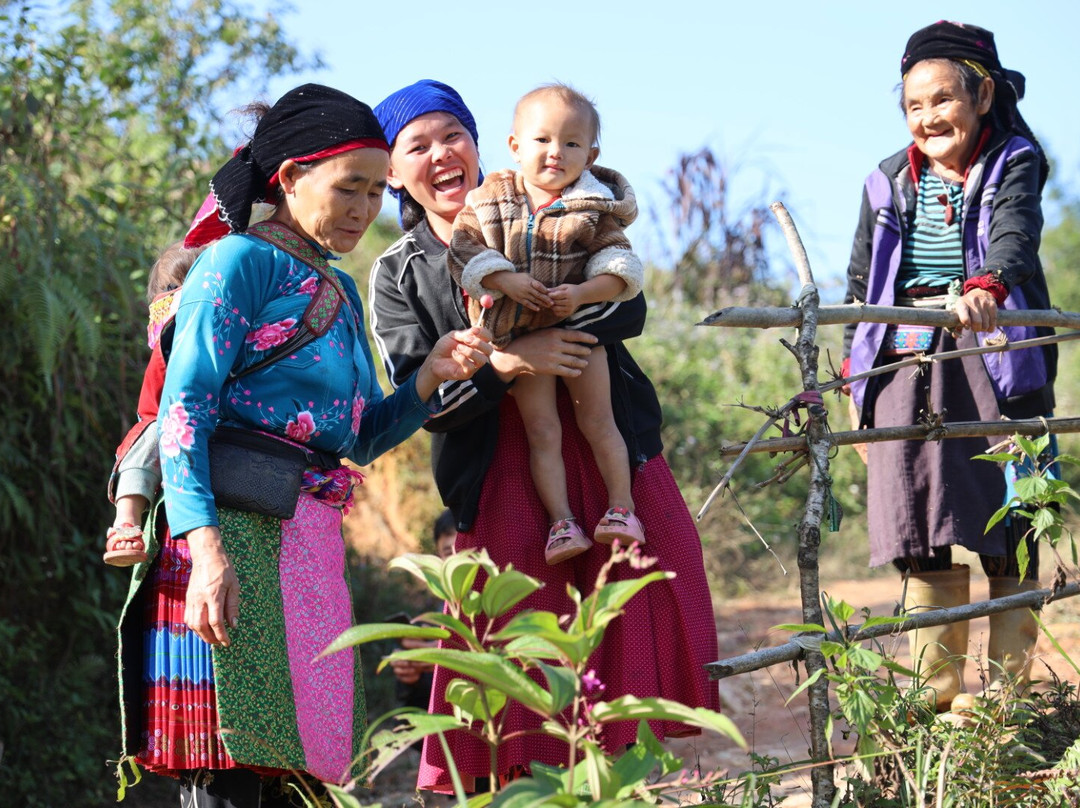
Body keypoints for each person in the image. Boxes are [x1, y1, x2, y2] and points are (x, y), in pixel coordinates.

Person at [114, 83, 492, 807]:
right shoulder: (237, 265)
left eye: (377, 192)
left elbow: (356, 439)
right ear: (289, 177)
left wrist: (429, 377)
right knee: (225, 773)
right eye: (348, 187)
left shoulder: (340, 290)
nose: (362, 209)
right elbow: (185, 410)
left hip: (308, 542)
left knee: (291, 772)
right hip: (227, 535)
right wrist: (206, 553)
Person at [370, 79, 720, 794]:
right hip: (499, 478)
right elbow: (420, 404)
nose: (440, 155)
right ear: (392, 172)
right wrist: (505, 366)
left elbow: (628, 309)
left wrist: (556, 324)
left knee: (628, 651)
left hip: (604, 457)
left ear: (482, 144)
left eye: (451, 136)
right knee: (516, 675)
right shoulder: (394, 274)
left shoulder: (555, 208)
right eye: (417, 146)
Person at [841, 22, 1055, 714]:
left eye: (943, 99)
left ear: (984, 93)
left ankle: (1005, 703)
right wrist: (855, 375)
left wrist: (988, 286)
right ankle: (935, 699)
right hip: (906, 367)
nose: (929, 117)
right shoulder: (886, 181)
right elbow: (858, 285)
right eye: (913, 106)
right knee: (921, 527)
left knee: (1011, 522)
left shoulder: (1013, 159)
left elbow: (1015, 235)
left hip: (994, 359)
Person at [447, 84, 645, 565]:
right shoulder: (492, 197)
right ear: (515, 145)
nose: (556, 152)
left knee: (599, 420)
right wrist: (506, 281)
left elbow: (622, 267)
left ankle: (623, 508)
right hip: (519, 338)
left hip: (579, 334)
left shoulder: (593, 207)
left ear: (591, 154)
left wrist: (580, 293)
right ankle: (562, 523)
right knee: (542, 431)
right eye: (542, 140)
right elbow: (465, 248)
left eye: (572, 143)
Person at [105, 241, 205, 567]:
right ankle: (126, 521)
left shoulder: (174, 315)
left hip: (190, 413)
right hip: (162, 415)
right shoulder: (180, 316)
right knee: (146, 449)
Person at [389, 509, 457, 715]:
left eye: (464, 551)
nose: (457, 562)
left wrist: (450, 656)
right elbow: (417, 711)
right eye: (448, 553)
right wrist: (410, 677)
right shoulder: (433, 618)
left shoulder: (500, 610)